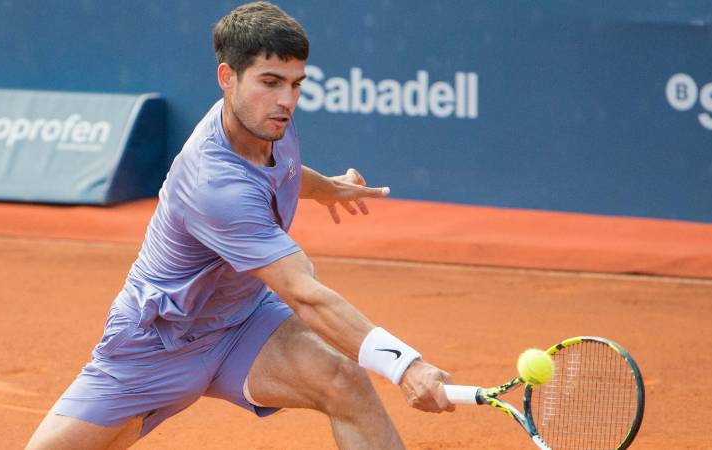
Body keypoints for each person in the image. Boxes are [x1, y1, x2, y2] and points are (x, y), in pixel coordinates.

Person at [25, 2, 455, 449]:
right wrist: (407, 365)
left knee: (342, 380)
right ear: (227, 77)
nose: (286, 101)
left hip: (243, 323)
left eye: (295, 84)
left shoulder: (268, 122)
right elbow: (305, 294)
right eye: (270, 83)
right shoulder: (213, 183)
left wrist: (326, 187)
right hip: (157, 344)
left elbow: (282, 170)